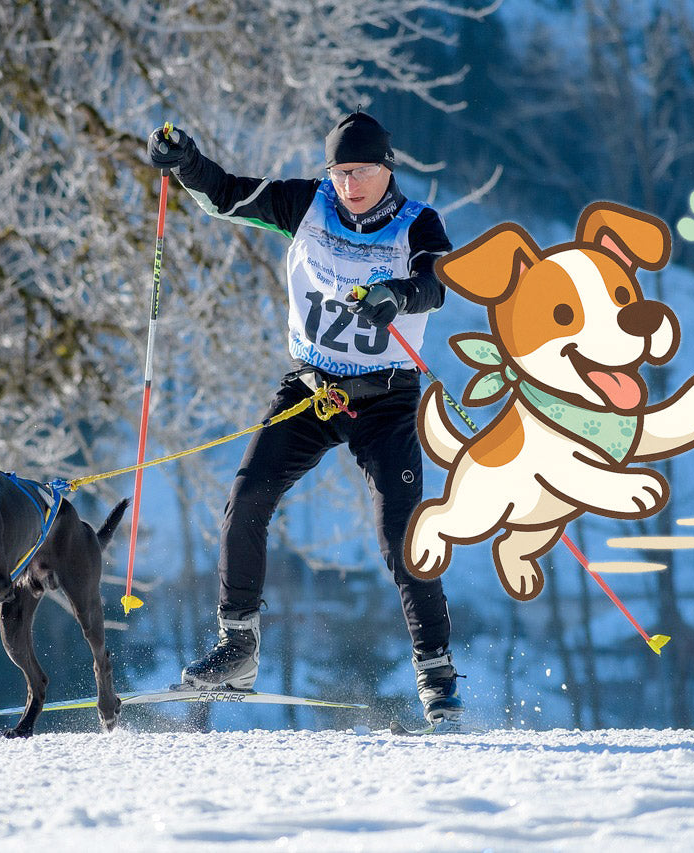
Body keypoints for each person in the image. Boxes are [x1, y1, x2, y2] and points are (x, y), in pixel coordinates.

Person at [147, 110, 464, 723]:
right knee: (245, 500)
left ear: (387, 168)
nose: (351, 185)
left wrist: (397, 295)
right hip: (312, 391)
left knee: (403, 538)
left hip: (386, 400)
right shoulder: (307, 205)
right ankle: (237, 652)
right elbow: (229, 195)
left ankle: (436, 670)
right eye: (341, 172)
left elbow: (436, 283)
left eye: (363, 171)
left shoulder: (418, 222)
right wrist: (186, 161)